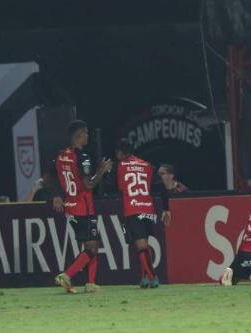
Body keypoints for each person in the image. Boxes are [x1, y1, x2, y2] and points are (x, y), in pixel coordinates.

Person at [52, 120, 112, 294]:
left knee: (90, 245)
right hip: (83, 207)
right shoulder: (83, 157)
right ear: (79, 135)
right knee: (92, 247)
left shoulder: (61, 155)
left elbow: (52, 176)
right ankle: (66, 275)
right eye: (86, 133)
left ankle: (90, 283)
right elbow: (89, 184)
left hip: (70, 207)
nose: (88, 136)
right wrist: (102, 170)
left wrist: (57, 195)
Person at [114, 139, 170, 288]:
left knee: (141, 247)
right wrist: (166, 208)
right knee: (144, 244)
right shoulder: (146, 165)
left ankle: (153, 277)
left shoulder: (120, 166)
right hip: (148, 209)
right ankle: (145, 278)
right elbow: (161, 187)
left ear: (119, 152)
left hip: (132, 209)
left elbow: (114, 186)